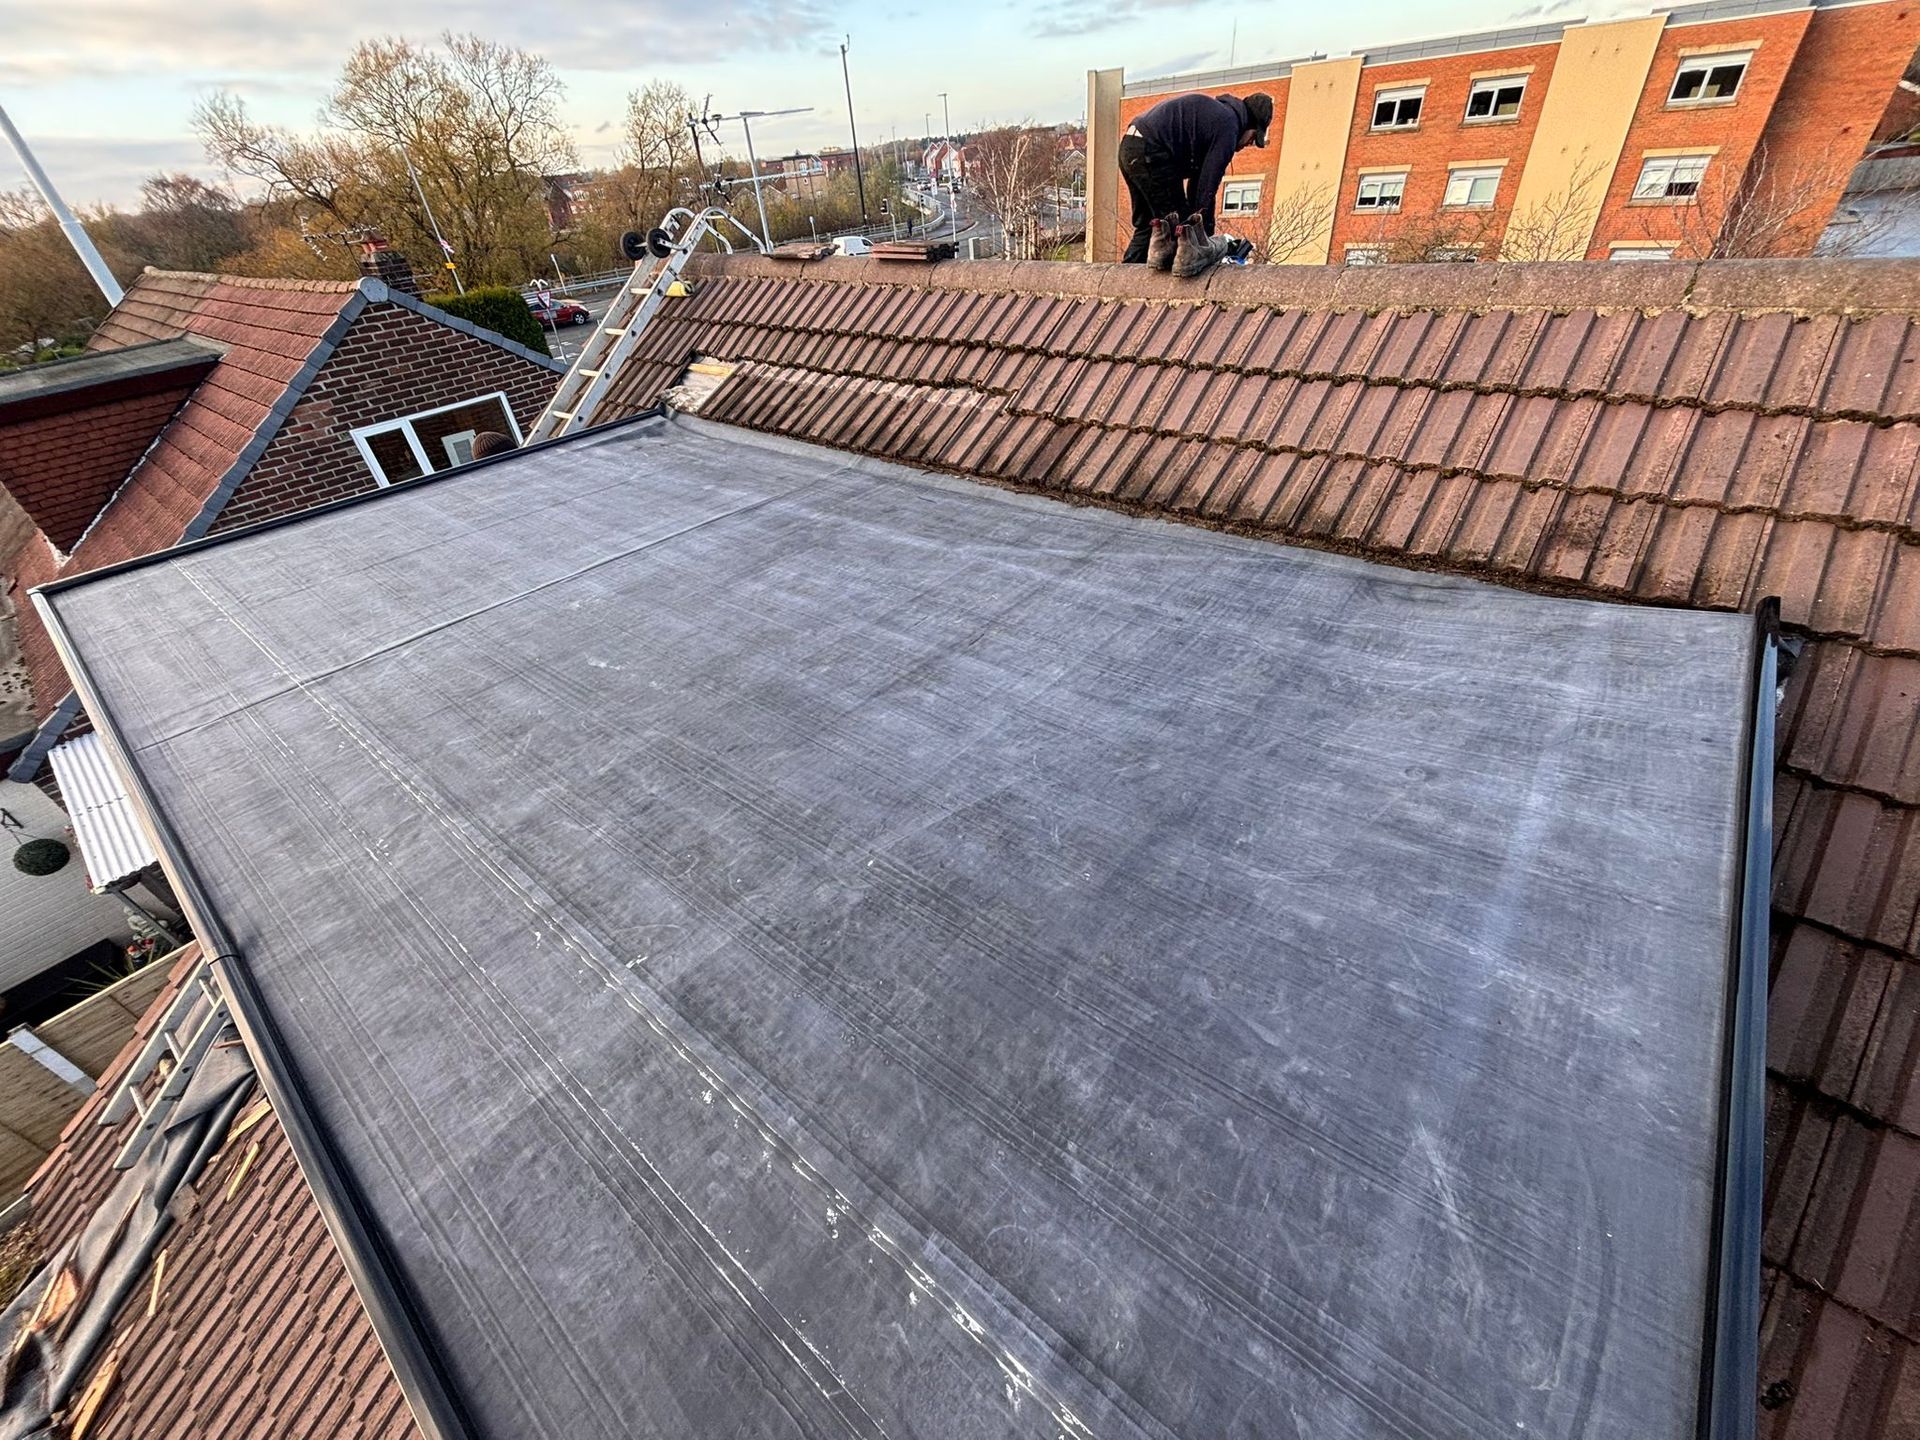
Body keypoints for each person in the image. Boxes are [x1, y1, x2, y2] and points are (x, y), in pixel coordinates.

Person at [1119, 92, 1273, 264]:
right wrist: (1203, 238)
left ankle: (1119, 285)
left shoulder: (1216, 116)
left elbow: (1197, 186)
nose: (1248, 144)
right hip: (1152, 151)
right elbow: (1206, 188)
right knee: (1180, 229)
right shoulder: (1229, 126)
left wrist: (1204, 231)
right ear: (1249, 125)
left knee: (1150, 225)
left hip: (1130, 146)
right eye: (1252, 138)